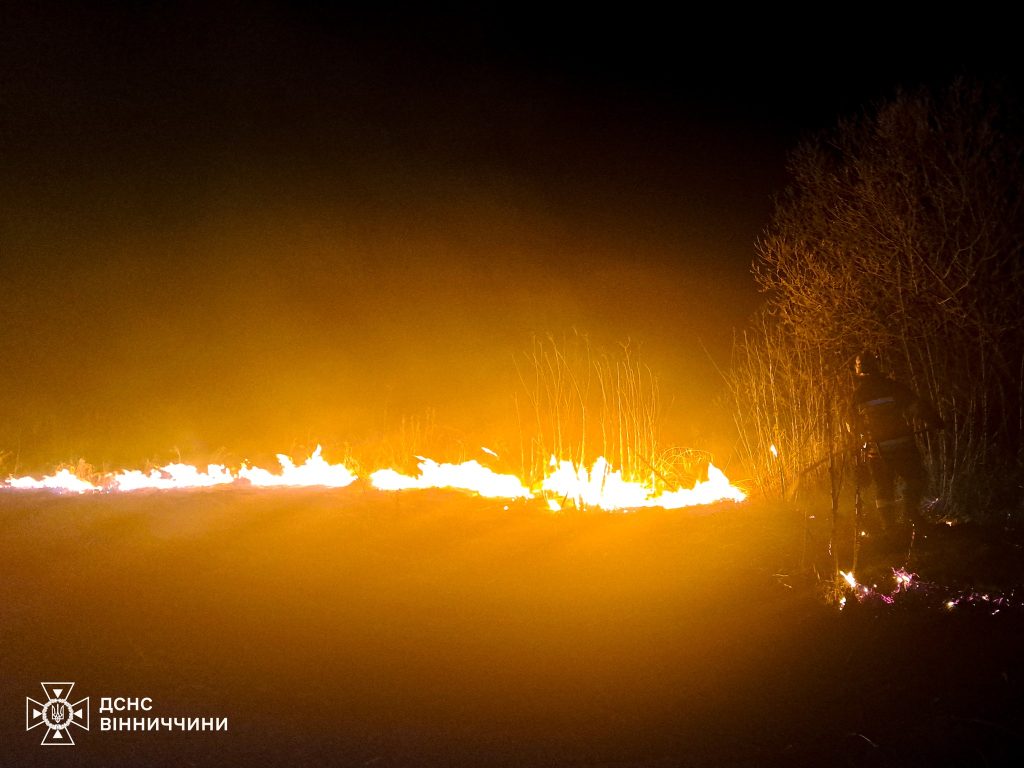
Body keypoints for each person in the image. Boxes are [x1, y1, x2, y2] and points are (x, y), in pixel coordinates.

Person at [848, 351, 944, 539]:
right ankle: (911, 514)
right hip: (902, 445)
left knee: (883, 487)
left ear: (858, 371)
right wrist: (935, 421)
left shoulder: (857, 396)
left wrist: (862, 439)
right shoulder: (893, 387)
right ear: (877, 366)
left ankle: (889, 528)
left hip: (876, 450)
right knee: (916, 477)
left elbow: (852, 425)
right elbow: (916, 407)